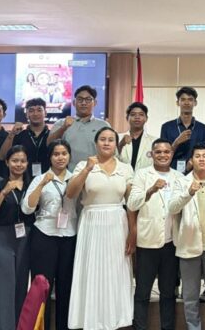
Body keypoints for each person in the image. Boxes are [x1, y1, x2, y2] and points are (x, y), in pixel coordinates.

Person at [67, 127, 136, 330]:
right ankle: (90, 320)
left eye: (111, 140)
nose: (106, 143)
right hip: (91, 222)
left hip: (117, 223)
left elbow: (131, 203)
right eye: (103, 139)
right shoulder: (83, 165)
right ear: (96, 143)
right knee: (92, 271)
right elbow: (71, 193)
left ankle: (115, 320)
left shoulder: (125, 168)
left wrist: (133, 232)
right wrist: (87, 169)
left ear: (116, 144)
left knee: (115, 271)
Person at [168, 144, 205, 330]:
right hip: (188, 244)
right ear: (191, 161)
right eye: (197, 156)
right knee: (190, 297)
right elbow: (172, 208)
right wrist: (189, 193)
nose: (201, 159)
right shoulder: (181, 182)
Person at [127, 139, 185, 330]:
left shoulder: (179, 176)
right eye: (158, 152)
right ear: (152, 154)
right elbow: (132, 204)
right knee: (142, 292)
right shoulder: (142, 174)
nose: (162, 155)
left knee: (168, 293)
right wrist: (150, 190)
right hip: (147, 242)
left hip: (171, 242)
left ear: (172, 154)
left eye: (166, 152)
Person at [22, 140, 76, 330]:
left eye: (64, 153)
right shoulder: (40, 178)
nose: (60, 158)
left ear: (69, 156)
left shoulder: (76, 178)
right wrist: (42, 184)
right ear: (50, 157)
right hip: (44, 236)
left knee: (66, 287)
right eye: (56, 154)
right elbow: (27, 208)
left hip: (69, 236)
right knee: (42, 288)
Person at [0, 145, 34, 330]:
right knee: (3, 289)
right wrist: (4, 192)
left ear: (27, 163)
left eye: (22, 161)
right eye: (15, 161)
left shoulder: (31, 185)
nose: (18, 164)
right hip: (3, 238)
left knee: (21, 286)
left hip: (26, 237)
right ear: (7, 162)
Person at [48, 85, 110, 170]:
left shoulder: (104, 125)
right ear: (74, 102)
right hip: (69, 174)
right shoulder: (62, 123)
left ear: (95, 103)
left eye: (88, 99)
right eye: (80, 99)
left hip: (96, 174)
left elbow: (111, 152)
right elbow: (49, 144)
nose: (83, 103)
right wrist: (64, 128)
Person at [159, 86, 205, 172]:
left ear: (195, 103)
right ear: (177, 103)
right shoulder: (166, 127)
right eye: (183, 99)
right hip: (170, 171)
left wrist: (192, 162)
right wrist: (176, 142)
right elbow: (162, 154)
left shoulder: (203, 129)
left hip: (196, 172)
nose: (186, 103)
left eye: (190, 100)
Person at [0, 98, 50, 179]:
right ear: (26, 114)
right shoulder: (19, 135)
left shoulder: (52, 135)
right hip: (23, 180)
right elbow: (2, 156)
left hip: (48, 179)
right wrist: (12, 134)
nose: (35, 114)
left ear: (45, 113)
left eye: (39, 110)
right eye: (31, 111)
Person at [118, 102, 157, 171]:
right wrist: (120, 145)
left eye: (141, 114)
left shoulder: (154, 141)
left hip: (145, 177)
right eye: (133, 114)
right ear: (127, 118)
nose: (137, 117)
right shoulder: (118, 138)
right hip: (122, 176)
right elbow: (111, 159)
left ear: (146, 118)